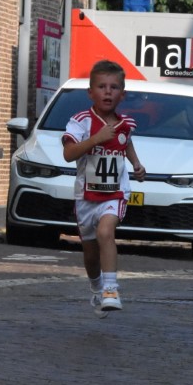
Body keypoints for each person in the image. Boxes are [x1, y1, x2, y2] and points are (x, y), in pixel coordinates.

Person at [62, 60, 145, 316]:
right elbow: (68, 154)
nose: (108, 92)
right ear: (91, 92)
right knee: (90, 253)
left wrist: (136, 164)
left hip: (115, 192)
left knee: (105, 232)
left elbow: (125, 142)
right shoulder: (81, 122)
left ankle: (111, 289)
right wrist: (96, 139)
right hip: (86, 196)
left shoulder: (126, 123)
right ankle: (97, 287)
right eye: (101, 87)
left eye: (114, 87)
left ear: (123, 94)